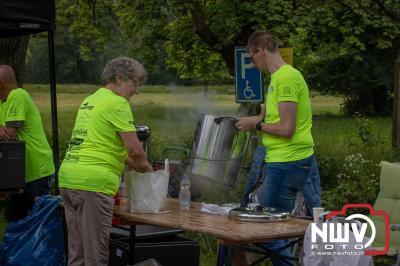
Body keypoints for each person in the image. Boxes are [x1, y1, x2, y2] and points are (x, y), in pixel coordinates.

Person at [235, 31, 321, 265]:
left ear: (261, 51)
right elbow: (280, 119)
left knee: (267, 231)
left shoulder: (286, 79)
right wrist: (263, 116)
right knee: (303, 224)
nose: (252, 64)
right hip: (293, 158)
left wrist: (256, 124)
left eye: (252, 58)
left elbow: (286, 129)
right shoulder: (278, 79)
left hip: (286, 161)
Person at [58, 57, 153, 266]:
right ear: (120, 78)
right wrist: (148, 169)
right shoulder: (117, 103)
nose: (137, 90)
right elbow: (135, 151)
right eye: (135, 82)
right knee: (95, 257)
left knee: (77, 255)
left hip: (68, 179)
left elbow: (103, 146)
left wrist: (132, 162)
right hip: (93, 185)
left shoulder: (91, 100)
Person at [0, 64, 55, 222]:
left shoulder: (18, 95)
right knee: (16, 221)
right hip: (17, 175)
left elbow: (8, 135)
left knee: (39, 223)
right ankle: (20, 248)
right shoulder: (2, 103)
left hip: (37, 172)